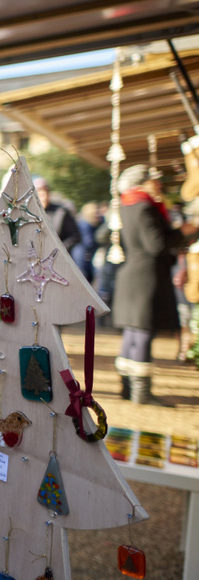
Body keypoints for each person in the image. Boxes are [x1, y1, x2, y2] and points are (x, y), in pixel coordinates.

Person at [111, 165, 194, 405]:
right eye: (153, 180)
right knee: (144, 331)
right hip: (146, 276)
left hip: (134, 276)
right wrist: (183, 232)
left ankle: (128, 388)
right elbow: (156, 245)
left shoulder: (128, 205)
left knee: (133, 332)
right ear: (141, 183)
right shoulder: (145, 207)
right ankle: (141, 393)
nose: (158, 185)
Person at [33, 177, 81, 255]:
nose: (43, 195)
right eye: (39, 191)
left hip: (57, 256)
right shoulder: (29, 213)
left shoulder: (61, 212)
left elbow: (74, 236)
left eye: (45, 190)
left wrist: (59, 250)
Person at [72, 201, 103, 284]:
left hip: (89, 253)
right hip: (83, 253)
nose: (98, 215)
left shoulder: (98, 223)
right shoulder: (85, 225)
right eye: (96, 213)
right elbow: (89, 242)